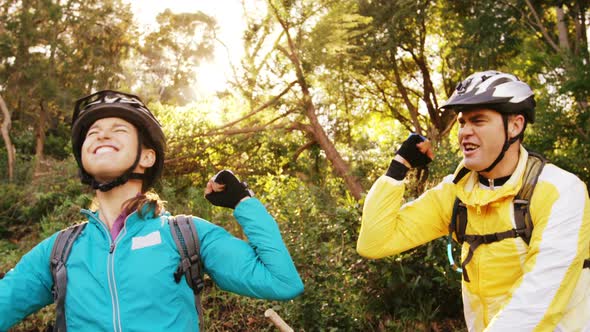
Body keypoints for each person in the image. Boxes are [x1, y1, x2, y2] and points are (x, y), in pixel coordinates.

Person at [0, 90, 304, 331]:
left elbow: (282, 281)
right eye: (93, 133)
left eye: (118, 129)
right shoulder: (59, 251)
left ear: (147, 157)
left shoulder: (187, 236)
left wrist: (244, 203)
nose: (102, 135)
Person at [357, 70, 590, 331]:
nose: (465, 132)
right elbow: (373, 243)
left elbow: (539, 299)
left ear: (515, 125)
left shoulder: (560, 191)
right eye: (462, 122)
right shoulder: (455, 192)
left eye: (478, 121)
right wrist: (399, 167)